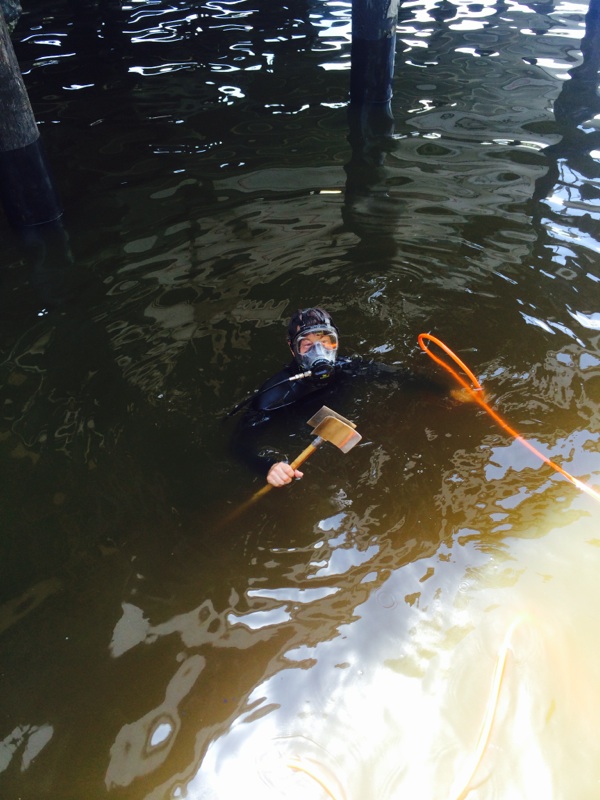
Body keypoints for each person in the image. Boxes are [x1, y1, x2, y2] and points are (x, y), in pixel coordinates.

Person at [231, 307, 466, 488]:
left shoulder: (346, 366)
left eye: (326, 342)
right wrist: (269, 467)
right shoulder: (275, 395)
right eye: (307, 345)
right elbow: (238, 446)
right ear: (293, 349)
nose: (319, 352)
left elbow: (397, 375)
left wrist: (446, 391)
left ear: (335, 343)